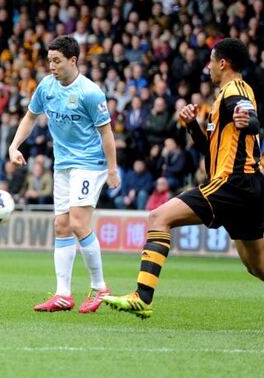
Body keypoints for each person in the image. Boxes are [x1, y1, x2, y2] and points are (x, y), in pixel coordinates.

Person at [104, 38, 264, 319]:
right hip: (244, 186)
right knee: (257, 267)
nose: (209, 67)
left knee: (158, 218)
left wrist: (250, 123)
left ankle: (142, 297)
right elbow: (210, 152)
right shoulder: (225, 96)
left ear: (223, 63)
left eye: (212, 61)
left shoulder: (235, 91)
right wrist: (192, 126)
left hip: (232, 182)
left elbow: (249, 118)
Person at [9, 36, 120, 313]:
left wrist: (112, 169)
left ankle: (100, 287)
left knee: (79, 223)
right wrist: (14, 146)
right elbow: (30, 117)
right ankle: (63, 294)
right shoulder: (46, 87)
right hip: (63, 165)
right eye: (49, 61)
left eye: (57, 61)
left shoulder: (90, 93)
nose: (52, 66)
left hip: (89, 163)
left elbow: (107, 134)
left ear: (73, 60)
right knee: (61, 225)